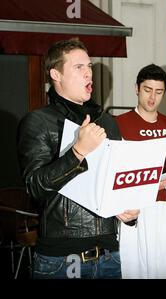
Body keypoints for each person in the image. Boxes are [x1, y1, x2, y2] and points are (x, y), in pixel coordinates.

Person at [17, 38, 139, 279]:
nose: (88, 74)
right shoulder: (38, 122)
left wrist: (129, 211)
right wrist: (77, 152)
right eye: (78, 67)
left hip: (109, 254)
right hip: (62, 259)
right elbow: (35, 187)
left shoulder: (107, 122)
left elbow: (117, 181)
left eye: (90, 66)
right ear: (56, 74)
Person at [115, 64, 166, 278]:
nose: (152, 97)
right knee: (133, 269)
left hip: (163, 208)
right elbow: (110, 172)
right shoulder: (118, 124)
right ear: (136, 88)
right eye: (147, 90)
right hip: (133, 209)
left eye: (158, 91)